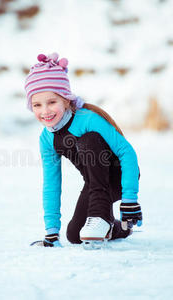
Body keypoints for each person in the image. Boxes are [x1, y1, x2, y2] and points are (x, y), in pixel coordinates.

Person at [26, 53, 142, 248]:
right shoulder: (47, 139)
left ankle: (99, 216)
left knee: (88, 141)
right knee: (75, 235)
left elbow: (126, 152)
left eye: (52, 102)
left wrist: (130, 199)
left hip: (119, 177)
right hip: (94, 182)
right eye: (37, 105)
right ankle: (118, 228)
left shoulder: (87, 119)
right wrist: (52, 232)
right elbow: (51, 184)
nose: (45, 111)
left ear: (65, 100)